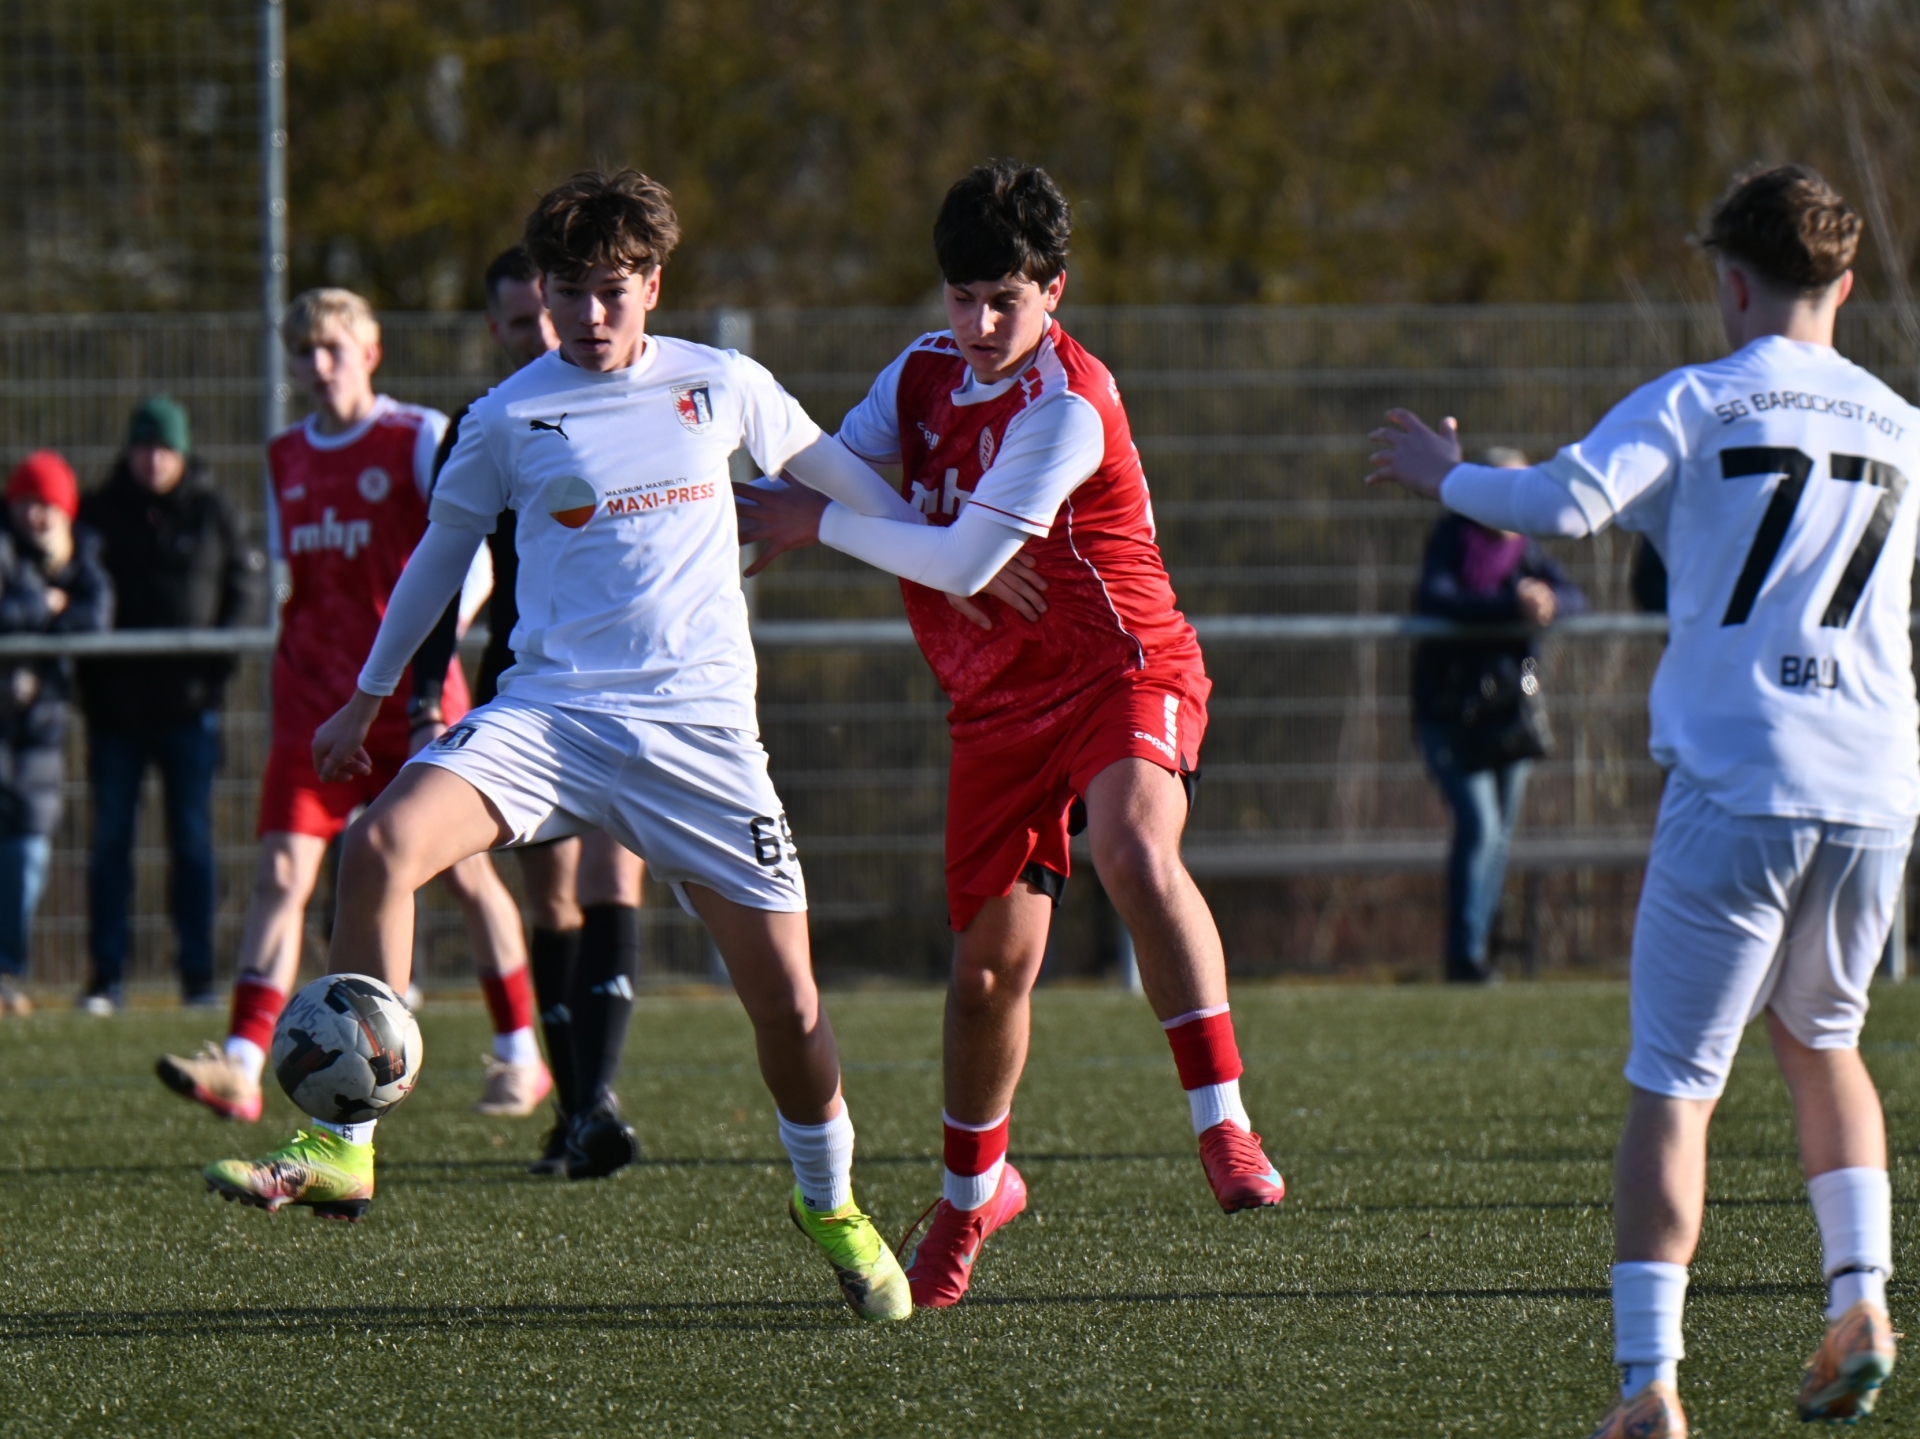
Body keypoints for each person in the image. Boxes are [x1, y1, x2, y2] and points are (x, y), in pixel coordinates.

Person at [203, 170, 929, 1322]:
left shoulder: (723, 383)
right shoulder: (504, 416)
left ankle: (829, 1199)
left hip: (700, 739)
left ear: (651, 282)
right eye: (567, 293)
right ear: (540, 292)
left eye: (610, 292)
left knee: (790, 1006)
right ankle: (343, 1138)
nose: (589, 317)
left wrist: (971, 550)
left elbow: (851, 487)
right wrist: (366, 696)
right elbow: (437, 562)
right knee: (380, 845)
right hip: (550, 717)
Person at [1368, 164, 1911, 1433]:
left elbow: (1561, 499)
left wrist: (1445, 474)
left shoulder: (1701, 396)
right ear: (1845, 282)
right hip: (1877, 784)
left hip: (1741, 776)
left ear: (1730, 281)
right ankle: (1863, 1297)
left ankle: (1650, 1384)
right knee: (1825, 1039)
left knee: (1675, 1083)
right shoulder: (1900, 420)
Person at [735, 160, 1286, 1311]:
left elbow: (952, 557)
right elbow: (843, 467)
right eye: (961, 297)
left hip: (1118, 667)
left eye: (1007, 300)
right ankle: (974, 1188)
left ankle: (1223, 1121)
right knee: (989, 974)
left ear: (1055, 292)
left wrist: (827, 524)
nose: (980, 325)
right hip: (992, 702)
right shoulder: (924, 372)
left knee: (1136, 850)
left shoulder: (1067, 407)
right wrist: (838, 511)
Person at [156, 287, 547, 1124]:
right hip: (311, 700)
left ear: (370, 352)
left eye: (333, 348)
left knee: (464, 872)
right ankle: (239, 1059)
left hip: (408, 696)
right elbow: (292, 578)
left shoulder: (414, 436)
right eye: (303, 352)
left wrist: (436, 646)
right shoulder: (283, 454)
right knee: (281, 874)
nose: (317, 365)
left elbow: (471, 554)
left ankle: (521, 1053)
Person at [405, 246, 649, 1171]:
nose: (547, 335)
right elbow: (440, 566)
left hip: (629, 689)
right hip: (531, 688)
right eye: (522, 323)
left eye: (555, 316)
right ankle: (576, 1104)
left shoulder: (629, 403)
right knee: (550, 896)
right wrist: (424, 689)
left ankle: (592, 1103)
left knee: (609, 879)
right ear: (500, 327)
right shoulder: (487, 426)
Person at [76, 395, 266, 1014]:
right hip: (114, 714)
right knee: (110, 843)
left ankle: (198, 977)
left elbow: (244, 589)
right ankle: (106, 977)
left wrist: (214, 670)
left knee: (191, 843)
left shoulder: (213, 512)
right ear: (128, 451)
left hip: (190, 711)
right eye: (143, 447)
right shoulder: (98, 514)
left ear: (183, 453)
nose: (153, 460)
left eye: (164, 448)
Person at [1411, 446, 1585, 983]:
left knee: (1500, 832)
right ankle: (1464, 956)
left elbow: (1577, 598)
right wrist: (1512, 605)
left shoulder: (1527, 552)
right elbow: (1439, 599)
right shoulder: (1452, 540)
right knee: (1480, 824)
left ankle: (1477, 950)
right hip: (1450, 714)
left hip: (1510, 717)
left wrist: (1546, 600)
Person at [0, 452, 112, 1015]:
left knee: (27, 857)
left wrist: (43, 605)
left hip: (40, 732)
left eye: (49, 506)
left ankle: (5, 973)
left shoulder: (79, 553)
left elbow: (96, 614)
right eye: (28, 504)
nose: (38, 517)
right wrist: (42, 602)